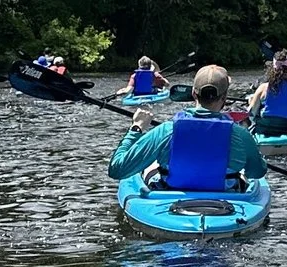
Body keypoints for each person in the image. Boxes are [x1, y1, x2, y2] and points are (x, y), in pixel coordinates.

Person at [110, 65, 268, 188]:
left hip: (172, 198)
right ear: (225, 97)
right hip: (226, 201)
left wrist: (136, 128)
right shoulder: (241, 135)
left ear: (193, 93)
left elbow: (117, 169)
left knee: (151, 166)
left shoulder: (166, 130)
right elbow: (257, 172)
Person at [244, 51, 287, 136]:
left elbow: (251, 112)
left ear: (273, 69)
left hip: (265, 130)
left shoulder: (263, 88)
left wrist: (251, 102)